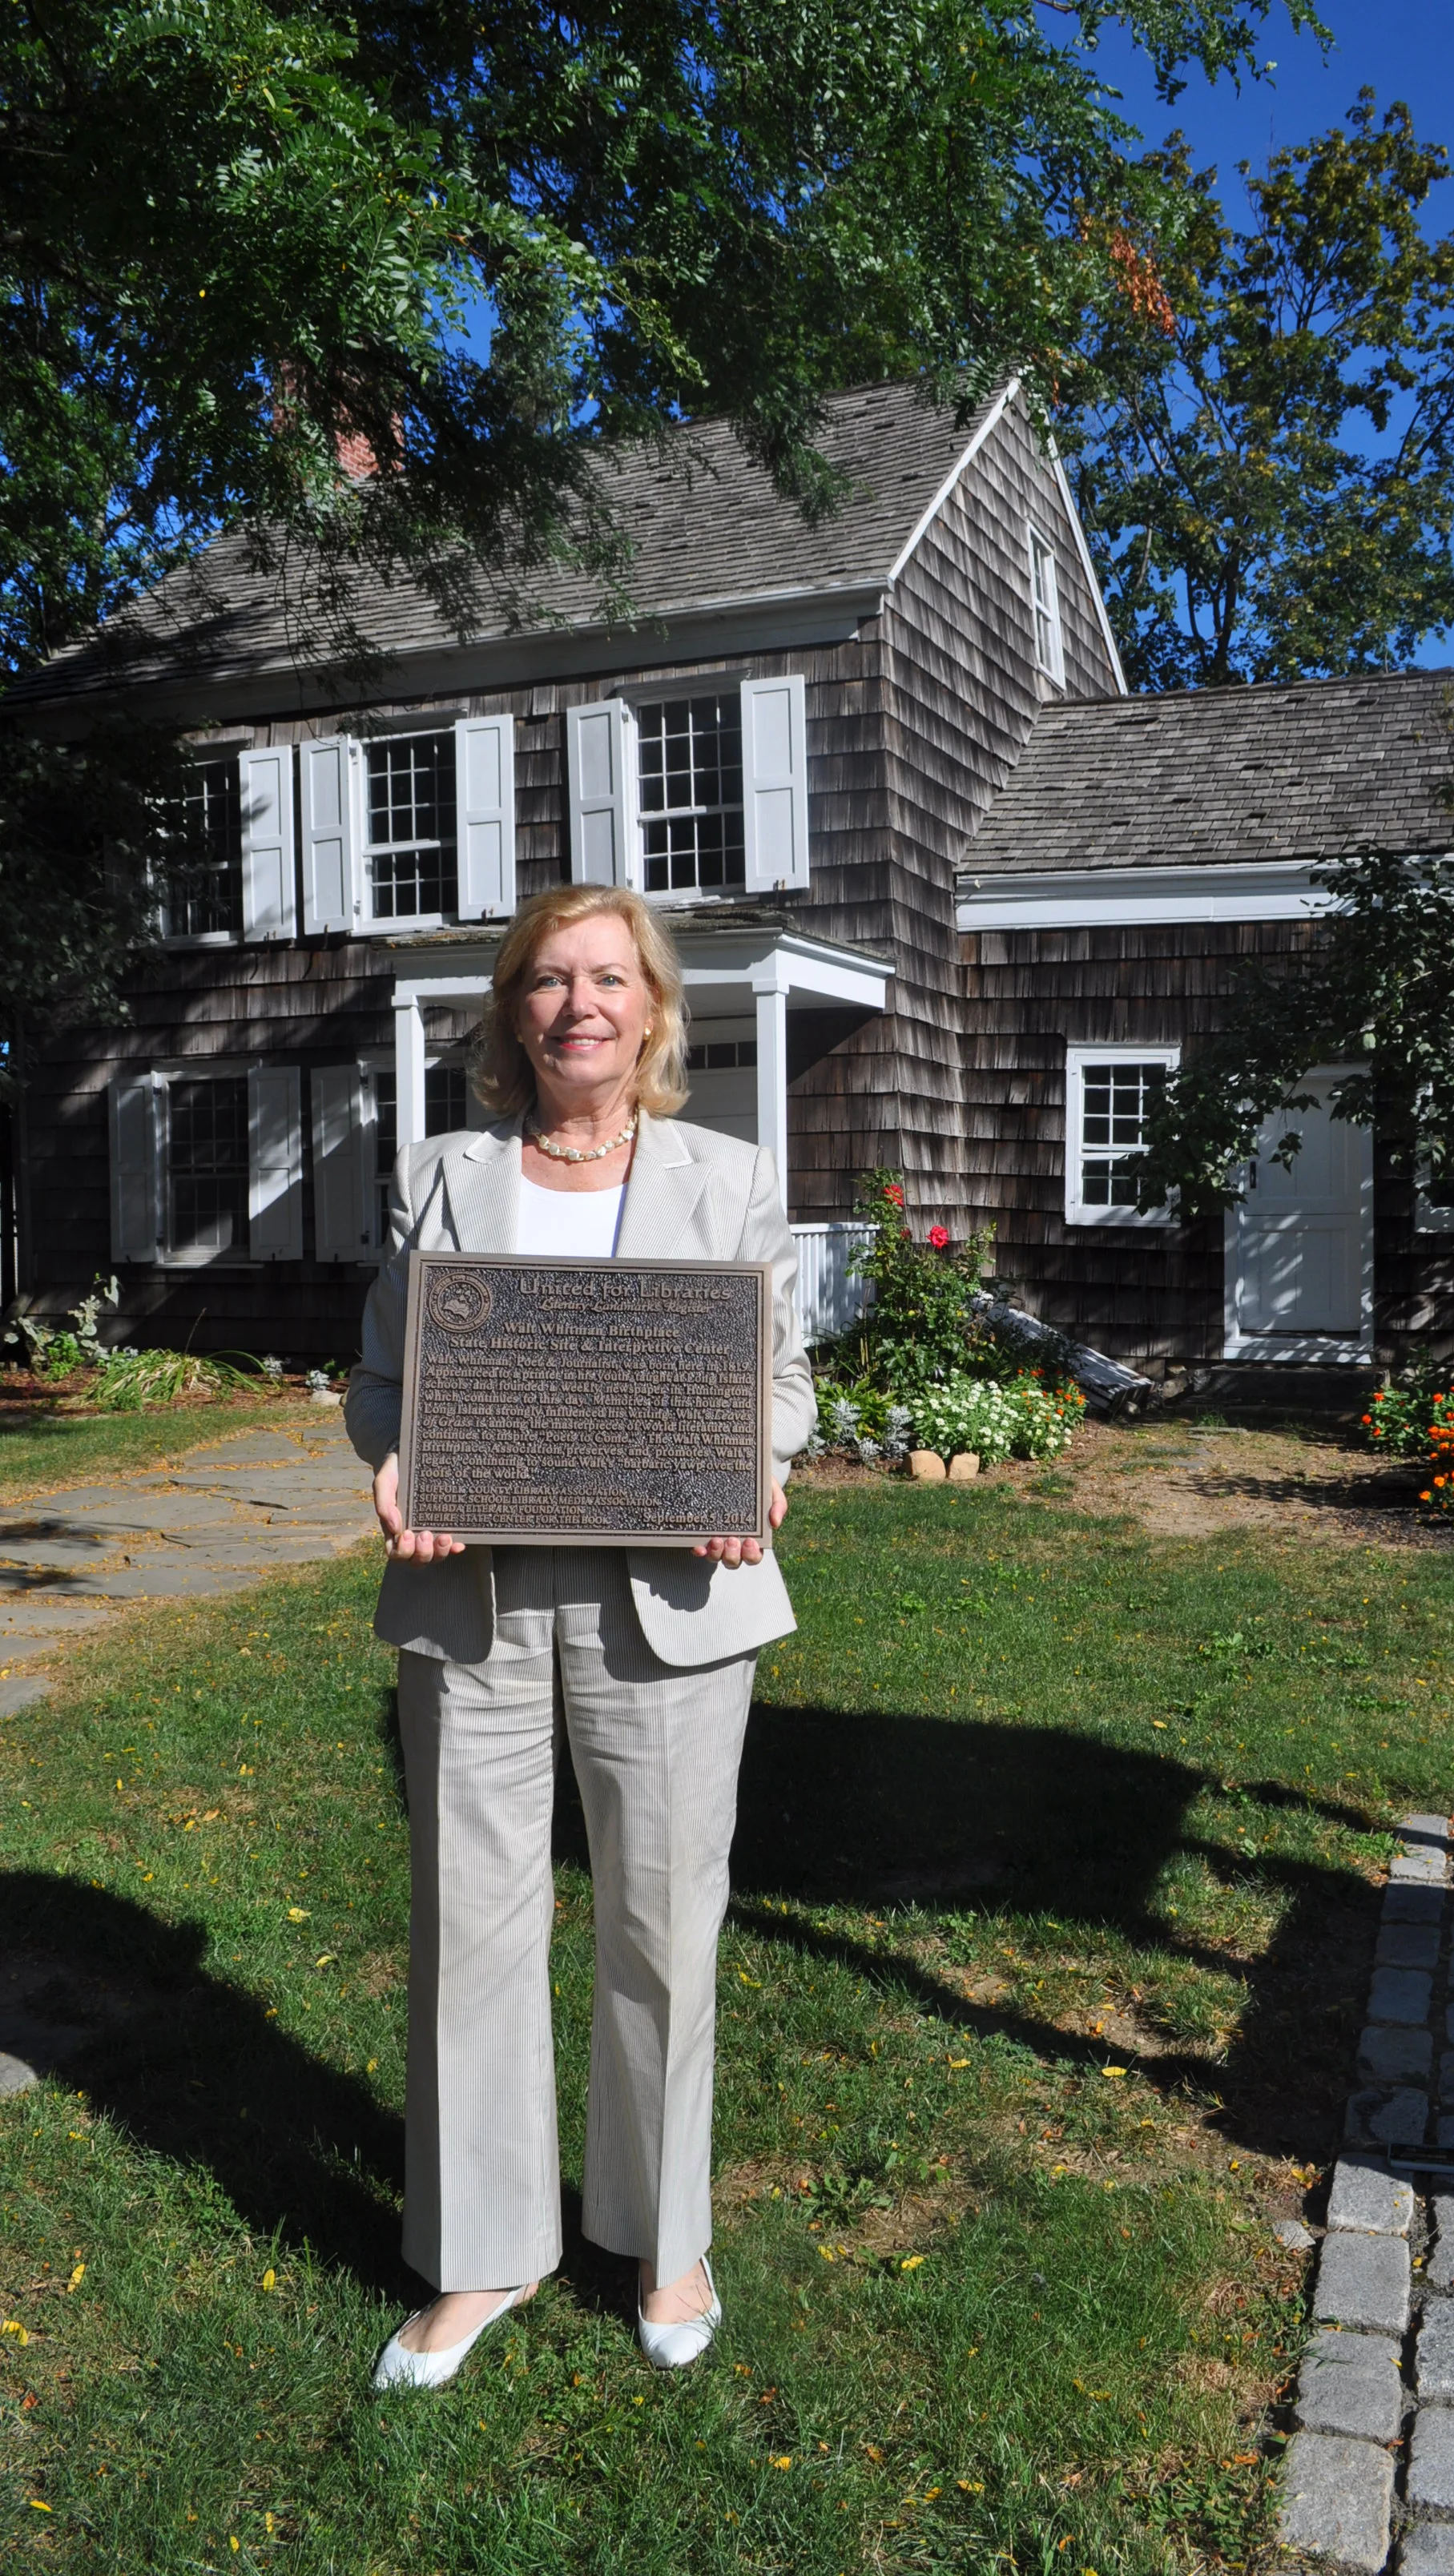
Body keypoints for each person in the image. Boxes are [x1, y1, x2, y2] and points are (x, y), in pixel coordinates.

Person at [344, 884, 816, 2388]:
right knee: (468, 1923)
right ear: (512, 1012)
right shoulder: (443, 1176)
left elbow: (780, 1384)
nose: (578, 1006)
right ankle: (482, 2256)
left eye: (609, 979)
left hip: (668, 1598)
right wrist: (398, 1460)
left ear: (656, 1008)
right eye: (548, 981)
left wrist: (762, 1476)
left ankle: (663, 2238)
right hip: (470, 1593)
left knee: (664, 1924)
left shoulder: (728, 1177)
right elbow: (381, 1378)